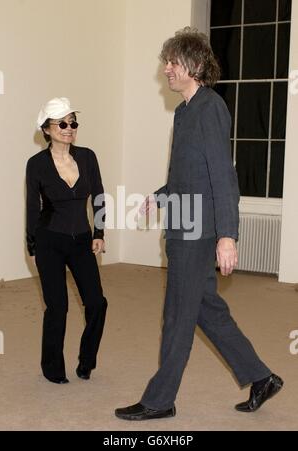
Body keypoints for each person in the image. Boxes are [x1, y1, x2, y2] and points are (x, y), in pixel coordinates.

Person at [115, 28, 283, 420]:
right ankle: (261, 377)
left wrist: (228, 235)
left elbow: (223, 175)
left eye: (173, 62)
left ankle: (160, 400)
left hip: (198, 231)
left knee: (176, 314)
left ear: (193, 65)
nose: (166, 69)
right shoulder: (185, 110)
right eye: (166, 62)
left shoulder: (210, 108)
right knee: (206, 309)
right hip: (181, 224)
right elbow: (188, 172)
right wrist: (160, 194)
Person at [26, 97, 107, 384]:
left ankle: (87, 361)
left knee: (97, 303)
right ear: (47, 129)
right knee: (57, 306)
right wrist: (33, 245)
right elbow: (32, 207)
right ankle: (53, 369)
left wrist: (99, 233)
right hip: (49, 240)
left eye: (73, 122)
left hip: (82, 240)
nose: (69, 127)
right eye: (62, 123)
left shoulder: (87, 157)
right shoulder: (36, 164)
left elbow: (98, 196)